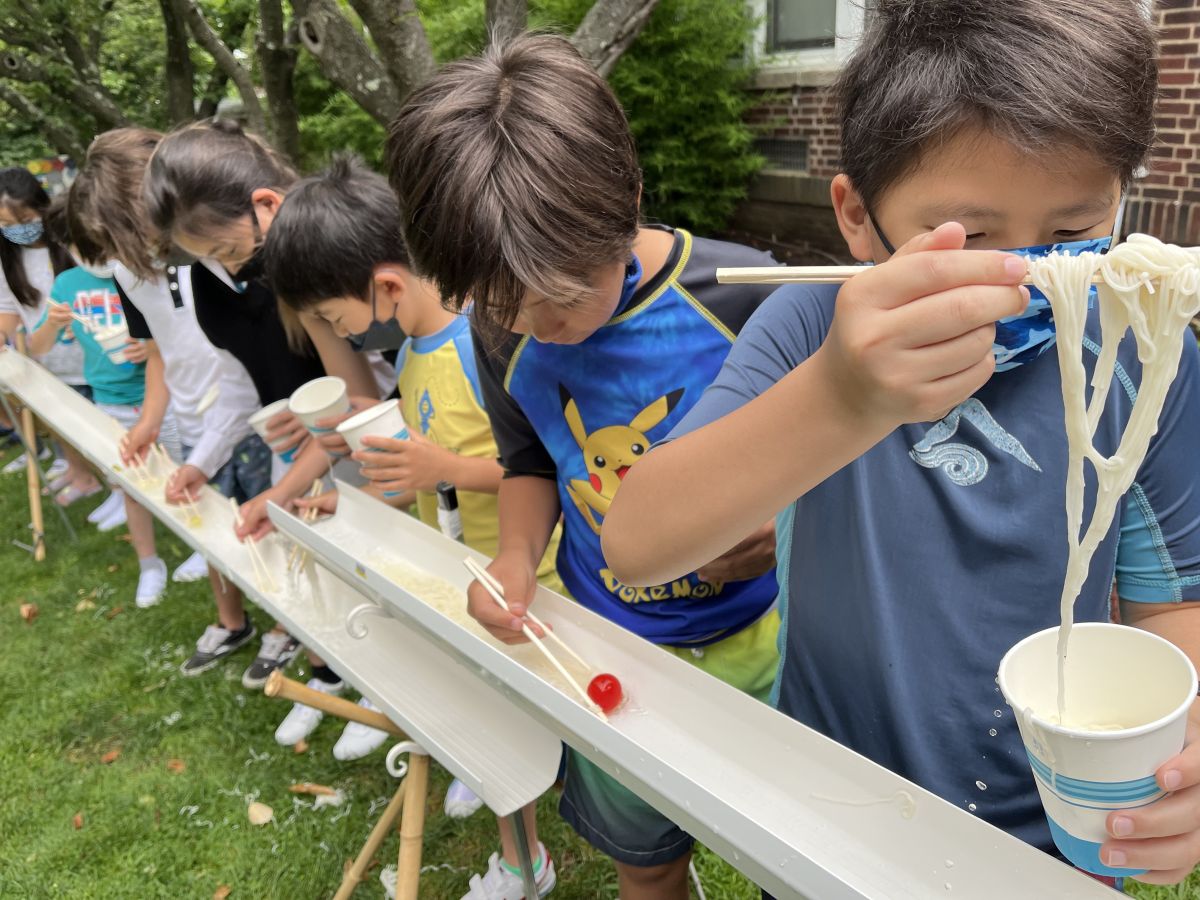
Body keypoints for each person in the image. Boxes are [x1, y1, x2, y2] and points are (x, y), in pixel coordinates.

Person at [603, 0, 1200, 889]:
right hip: (824, 812)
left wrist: (1184, 752)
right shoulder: (811, 329)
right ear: (856, 216)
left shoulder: (1144, 354)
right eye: (974, 237)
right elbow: (639, 545)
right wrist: (841, 397)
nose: (1025, 279)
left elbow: (1174, 604)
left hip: (1053, 840)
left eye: (1075, 233)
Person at [388, 34, 782, 900]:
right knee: (645, 864)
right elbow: (529, 459)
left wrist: (781, 527)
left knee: (789, 856)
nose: (537, 328)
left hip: (763, 639)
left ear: (626, 202)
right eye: (503, 305)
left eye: (563, 298)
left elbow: (841, 459)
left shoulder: (754, 295)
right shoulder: (499, 331)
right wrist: (514, 557)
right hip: (606, 646)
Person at [264, 156, 563, 790]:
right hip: (461, 565)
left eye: (333, 318)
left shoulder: (483, 344)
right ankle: (489, 760)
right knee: (485, 686)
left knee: (540, 709)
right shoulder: (407, 356)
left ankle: (523, 775)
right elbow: (420, 474)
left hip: (532, 577)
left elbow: (545, 471)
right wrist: (358, 502)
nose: (340, 333)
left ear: (389, 287)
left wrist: (444, 467)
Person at [139, 120, 390, 745]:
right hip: (324, 444)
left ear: (264, 205)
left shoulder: (320, 253)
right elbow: (241, 381)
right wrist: (215, 463)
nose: (228, 267)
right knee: (318, 573)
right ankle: (334, 676)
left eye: (227, 249)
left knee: (378, 571)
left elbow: (369, 390)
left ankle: (380, 692)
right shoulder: (216, 276)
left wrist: (310, 441)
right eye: (207, 257)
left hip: (373, 441)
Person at [64, 128, 272, 679]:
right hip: (196, 418)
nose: (119, 252)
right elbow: (158, 353)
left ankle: (286, 631)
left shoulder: (218, 250)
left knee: (268, 525)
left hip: (256, 414)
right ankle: (233, 622)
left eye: (121, 235)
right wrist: (150, 422)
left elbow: (246, 356)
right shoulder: (127, 273)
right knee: (212, 526)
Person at [30, 200, 182, 607]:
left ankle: (201, 549)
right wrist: (52, 325)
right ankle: (149, 564)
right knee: (131, 484)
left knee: (181, 474)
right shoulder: (67, 285)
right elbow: (37, 348)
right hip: (110, 400)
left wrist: (148, 347)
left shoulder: (137, 275)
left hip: (163, 396)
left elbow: (176, 338)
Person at [0, 167, 97, 504]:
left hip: (89, 357)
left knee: (96, 427)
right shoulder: (8, 258)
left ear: (42, 208)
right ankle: (79, 473)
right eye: (6, 224)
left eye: (25, 220)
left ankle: (105, 483)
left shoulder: (71, 248)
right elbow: (8, 307)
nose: (18, 230)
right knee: (61, 424)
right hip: (45, 358)